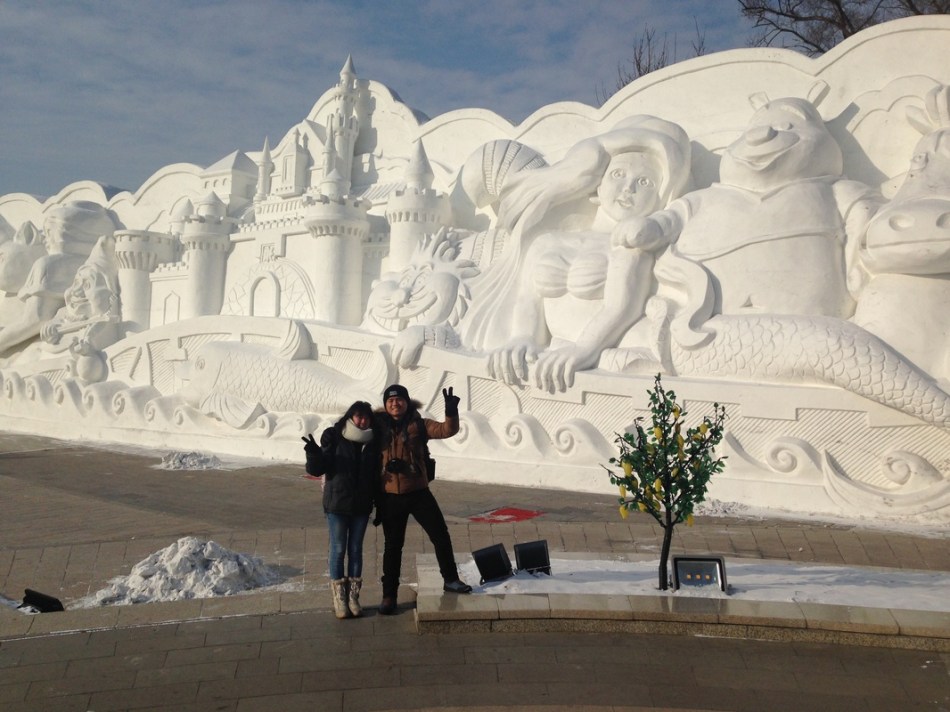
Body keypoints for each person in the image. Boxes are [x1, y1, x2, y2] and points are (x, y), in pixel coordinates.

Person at [456, 116, 692, 392]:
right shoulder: (547, 243)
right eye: (618, 174)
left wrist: (584, 350)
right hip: (556, 352)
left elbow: (621, 308)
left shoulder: (629, 246)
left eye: (645, 182)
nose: (629, 188)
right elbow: (527, 300)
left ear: (660, 199)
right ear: (598, 186)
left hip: (597, 353)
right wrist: (522, 339)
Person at [376, 383, 471, 615]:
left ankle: (450, 579)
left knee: (440, 535)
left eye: (399, 399)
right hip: (390, 496)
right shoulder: (377, 426)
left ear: (407, 402)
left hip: (418, 491)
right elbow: (354, 430)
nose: (395, 403)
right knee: (393, 546)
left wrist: (451, 411)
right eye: (390, 400)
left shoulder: (418, 423)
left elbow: (447, 430)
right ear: (385, 404)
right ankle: (389, 595)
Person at [302, 401, 379, 619]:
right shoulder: (335, 436)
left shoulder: (372, 442)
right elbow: (318, 468)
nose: (362, 421)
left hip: (361, 505)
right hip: (338, 503)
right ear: (350, 417)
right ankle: (339, 599)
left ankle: (353, 597)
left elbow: (374, 476)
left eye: (366, 417)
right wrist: (314, 453)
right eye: (358, 416)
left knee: (355, 550)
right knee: (338, 549)